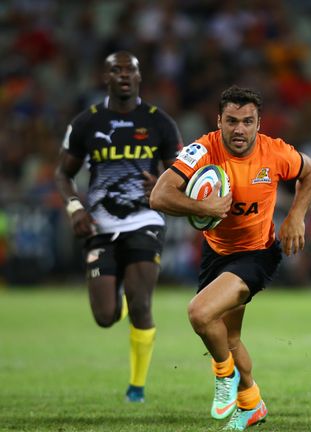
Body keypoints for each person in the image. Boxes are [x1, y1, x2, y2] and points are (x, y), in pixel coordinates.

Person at [150, 85, 311, 430]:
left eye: (247, 121)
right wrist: (201, 206)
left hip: (257, 253)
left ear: (258, 124)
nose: (239, 129)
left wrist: (296, 216)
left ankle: (223, 375)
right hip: (216, 253)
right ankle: (251, 402)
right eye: (231, 121)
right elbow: (159, 195)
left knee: (199, 312)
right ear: (219, 121)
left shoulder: (275, 152)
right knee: (227, 338)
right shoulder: (203, 149)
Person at [54, 51, 183, 403]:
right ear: (105, 77)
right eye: (117, 70)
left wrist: (161, 183)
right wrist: (74, 206)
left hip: (145, 220)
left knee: (142, 304)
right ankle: (118, 304)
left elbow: (184, 175)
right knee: (105, 317)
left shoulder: (160, 122)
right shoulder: (87, 122)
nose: (124, 75)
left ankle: (136, 387)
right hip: (99, 224)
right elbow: (63, 174)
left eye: (131, 70)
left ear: (140, 78)